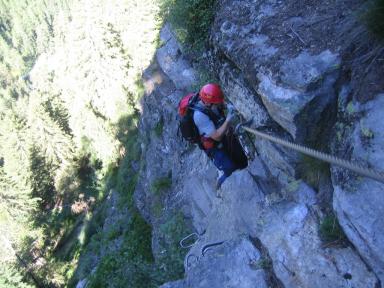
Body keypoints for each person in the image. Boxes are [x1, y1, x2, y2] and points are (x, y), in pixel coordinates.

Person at [193, 83, 248, 191]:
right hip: (214, 145)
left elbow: (221, 103)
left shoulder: (211, 102)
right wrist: (228, 119)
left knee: (242, 160)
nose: (219, 103)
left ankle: (246, 179)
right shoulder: (199, 116)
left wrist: (228, 106)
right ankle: (220, 184)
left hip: (224, 135)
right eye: (216, 102)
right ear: (208, 103)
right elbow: (217, 137)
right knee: (230, 169)